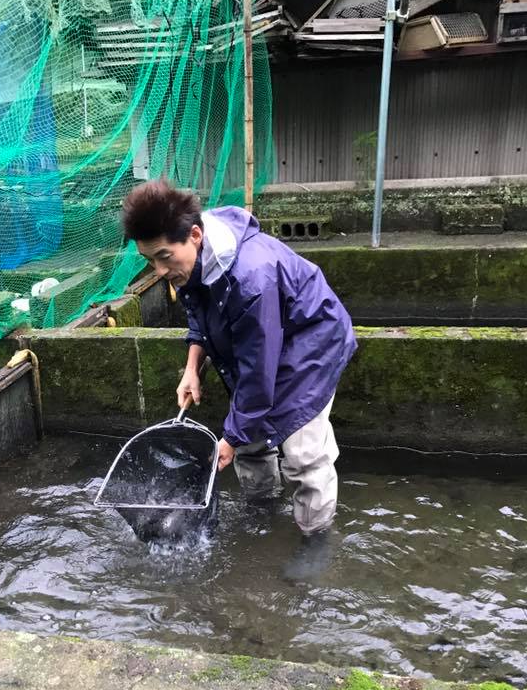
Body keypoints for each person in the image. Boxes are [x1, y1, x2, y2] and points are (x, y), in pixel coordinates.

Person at [121, 179, 357, 578]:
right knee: (247, 434)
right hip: (265, 342)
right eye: (150, 260)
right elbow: (198, 310)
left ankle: (316, 537)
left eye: (164, 257)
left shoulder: (251, 278)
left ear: (194, 235)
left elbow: (259, 376)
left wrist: (230, 438)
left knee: (302, 453)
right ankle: (262, 506)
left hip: (310, 346)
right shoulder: (195, 258)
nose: (160, 271)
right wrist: (192, 368)